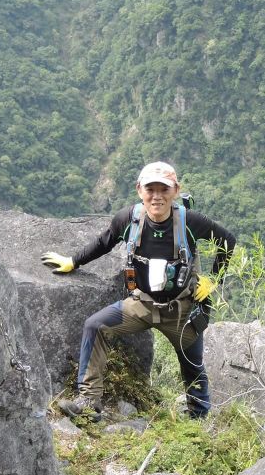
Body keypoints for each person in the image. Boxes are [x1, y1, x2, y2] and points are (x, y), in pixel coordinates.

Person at [42, 161, 236, 420]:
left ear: (175, 191)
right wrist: (73, 261)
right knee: (95, 326)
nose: (157, 196)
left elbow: (227, 241)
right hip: (141, 305)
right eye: (150, 189)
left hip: (181, 310)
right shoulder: (128, 219)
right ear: (139, 190)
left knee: (192, 366)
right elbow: (104, 242)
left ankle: (198, 421)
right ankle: (89, 402)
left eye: (164, 189)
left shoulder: (188, 221)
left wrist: (213, 279)